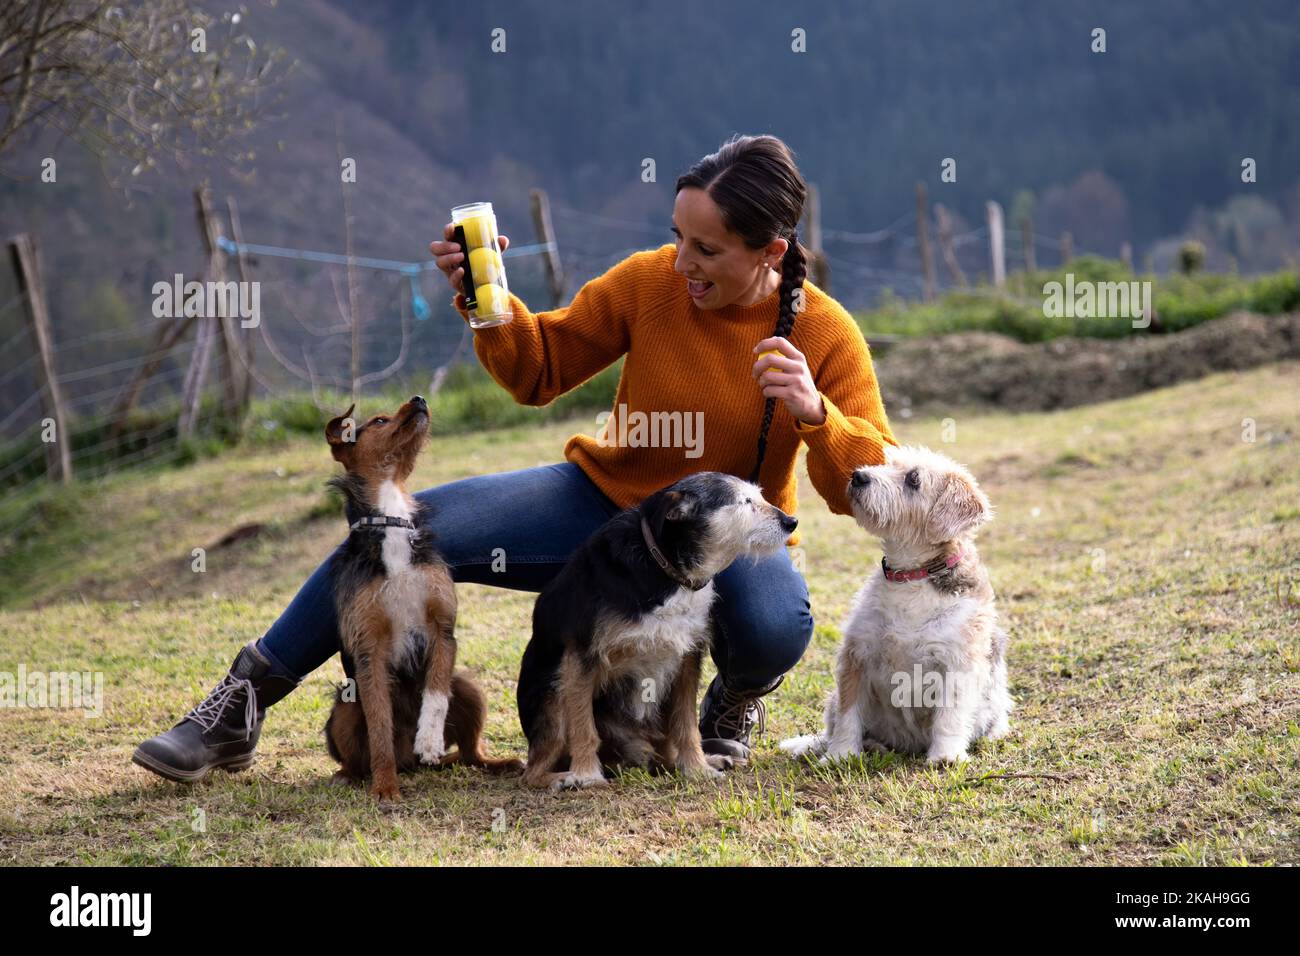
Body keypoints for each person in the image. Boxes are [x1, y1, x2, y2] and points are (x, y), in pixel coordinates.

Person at [132, 133, 898, 781]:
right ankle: (241, 703)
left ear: (770, 249)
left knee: (776, 624)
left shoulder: (822, 334)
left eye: (706, 249)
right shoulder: (647, 285)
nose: (682, 261)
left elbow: (867, 487)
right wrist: (485, 300)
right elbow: (540, 370)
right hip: (600, 509)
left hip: (716, 543)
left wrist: (814, 413)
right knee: (399, 533)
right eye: (676, 237)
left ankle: (729, 701)